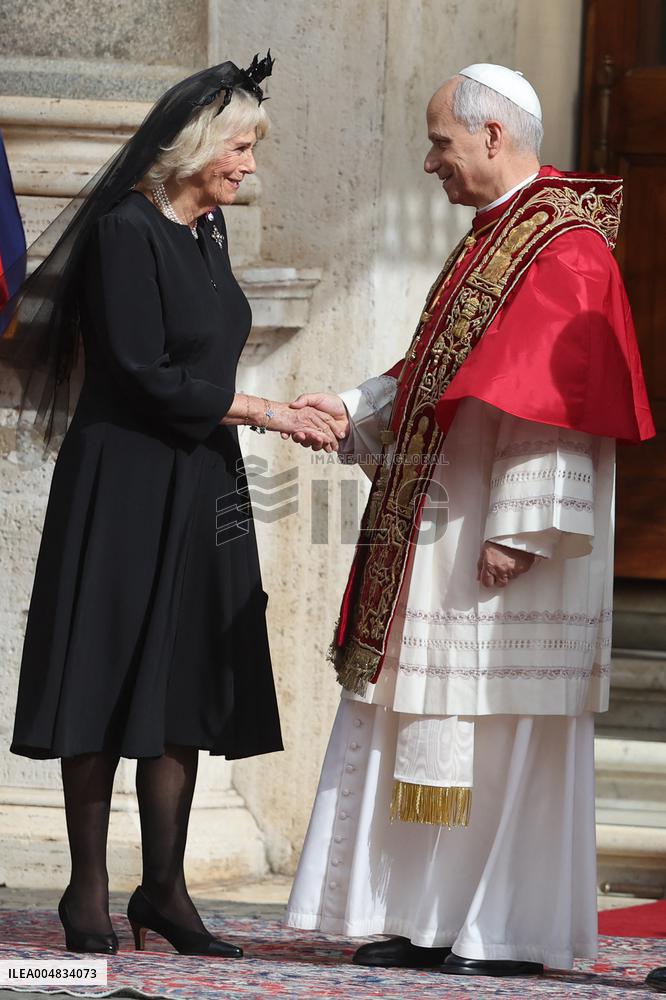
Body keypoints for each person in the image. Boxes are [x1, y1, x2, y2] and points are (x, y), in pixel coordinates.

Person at [284, 64, 654, 976]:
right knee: (440, 728)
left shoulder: (565, 247)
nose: (428, 163)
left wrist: (524, 527)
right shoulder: (494, 236)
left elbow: (563, 397)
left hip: (501, 549)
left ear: (494, 137)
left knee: (504, 737)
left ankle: (504, 931)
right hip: (449, 533)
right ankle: (432, 922)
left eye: (442, 143)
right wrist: (348, 405)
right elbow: (434, 370)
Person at [4, 56, 346, 958]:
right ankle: (86, 891)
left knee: (182, 676)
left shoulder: (211, 232)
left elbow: (207, 355)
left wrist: (280, 407)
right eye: (240, 147)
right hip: (122, 482)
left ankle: (164, 890)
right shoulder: (125, 230)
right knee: (106, 670)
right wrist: (268, 410)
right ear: (194, 145)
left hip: (202, 480)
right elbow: (145, 370)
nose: (248, 167)